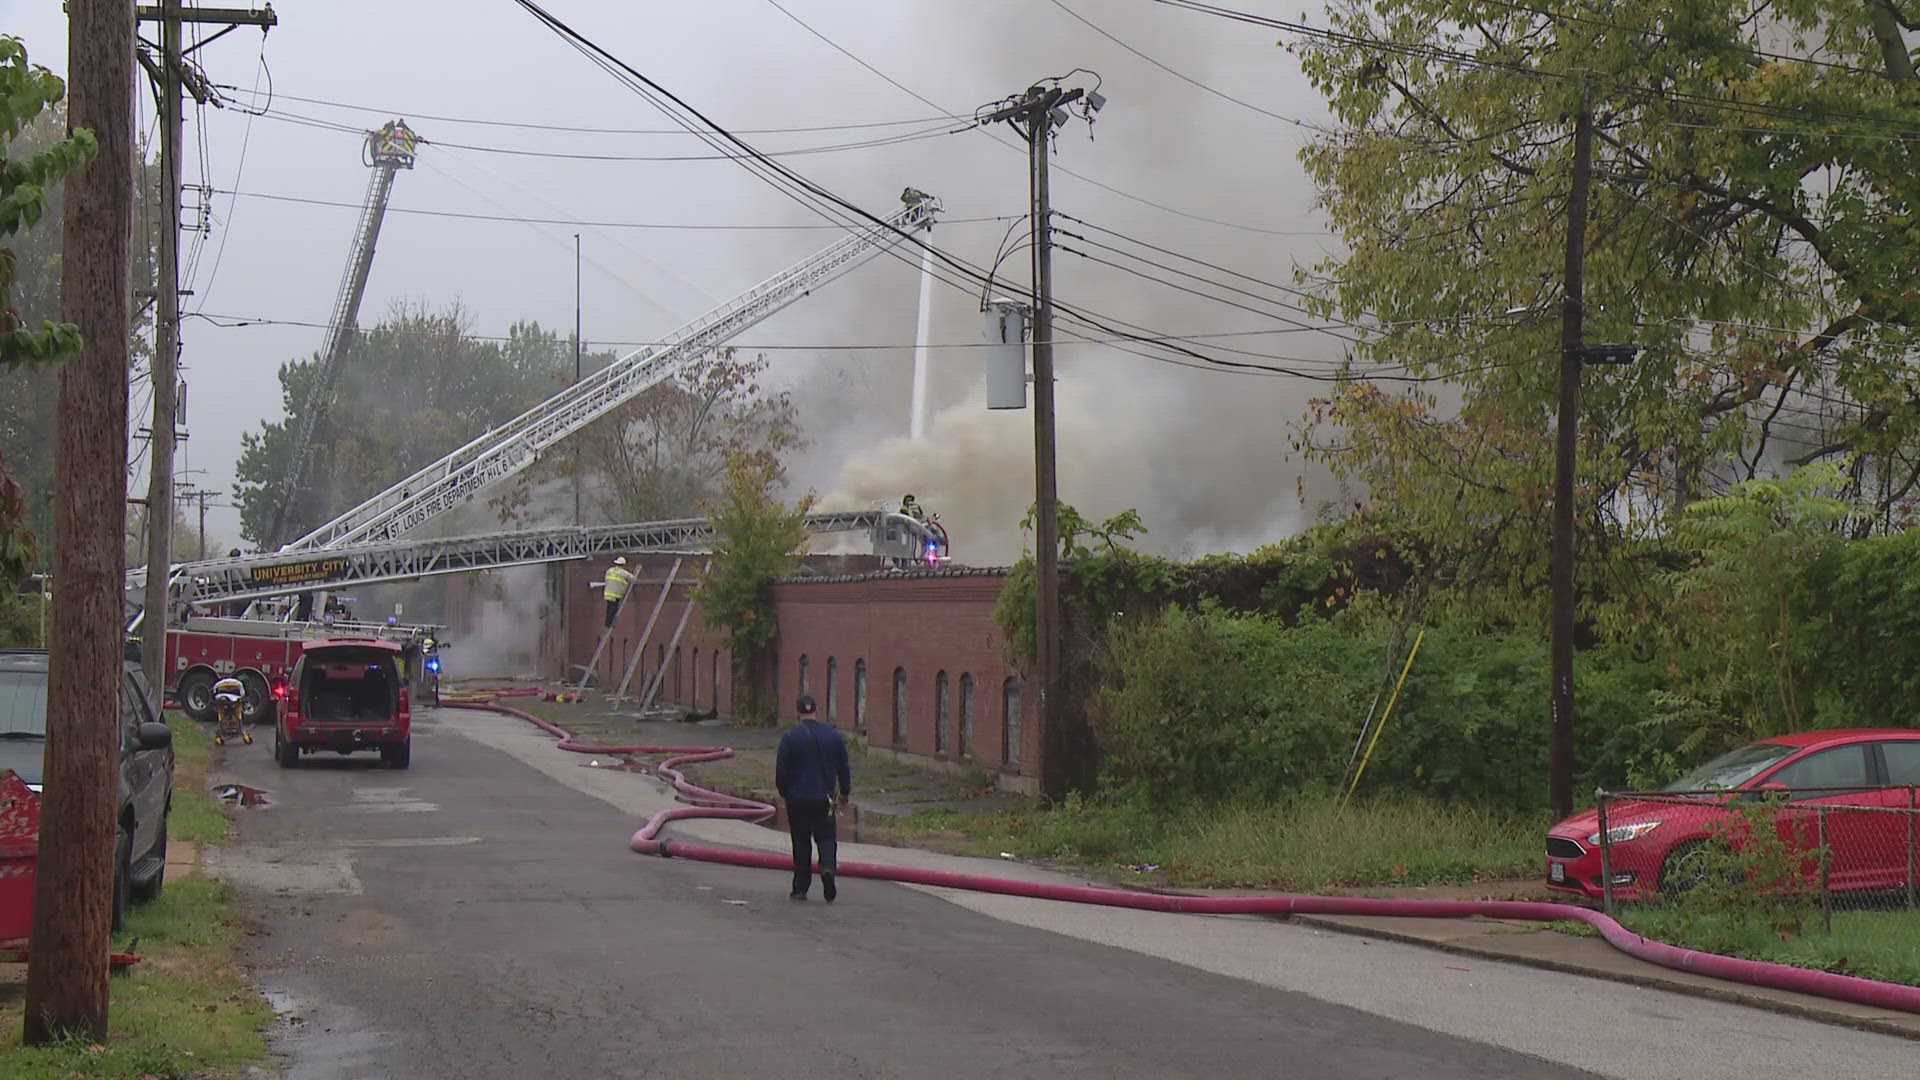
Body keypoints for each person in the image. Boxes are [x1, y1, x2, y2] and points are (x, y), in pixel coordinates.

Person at [775, 694, 851, 902]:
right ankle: (827, 868)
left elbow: (782, 770)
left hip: (797, 799)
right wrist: (845, 791)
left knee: (801, 842)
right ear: (817, 711)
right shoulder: (833, 736)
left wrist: (784, 792)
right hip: (824, 799)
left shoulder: (790, 737)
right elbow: (843, 766)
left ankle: (800, 888)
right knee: (826, 838)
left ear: (797, 713)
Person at [600, 556, 635, 627]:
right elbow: (633, 579)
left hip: (608, 593)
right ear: (623, 564)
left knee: (609, 609)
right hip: (616, 595)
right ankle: (610, 623)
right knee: (614, 609)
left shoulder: (609, 571)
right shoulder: (624, 573)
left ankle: (607, 623)